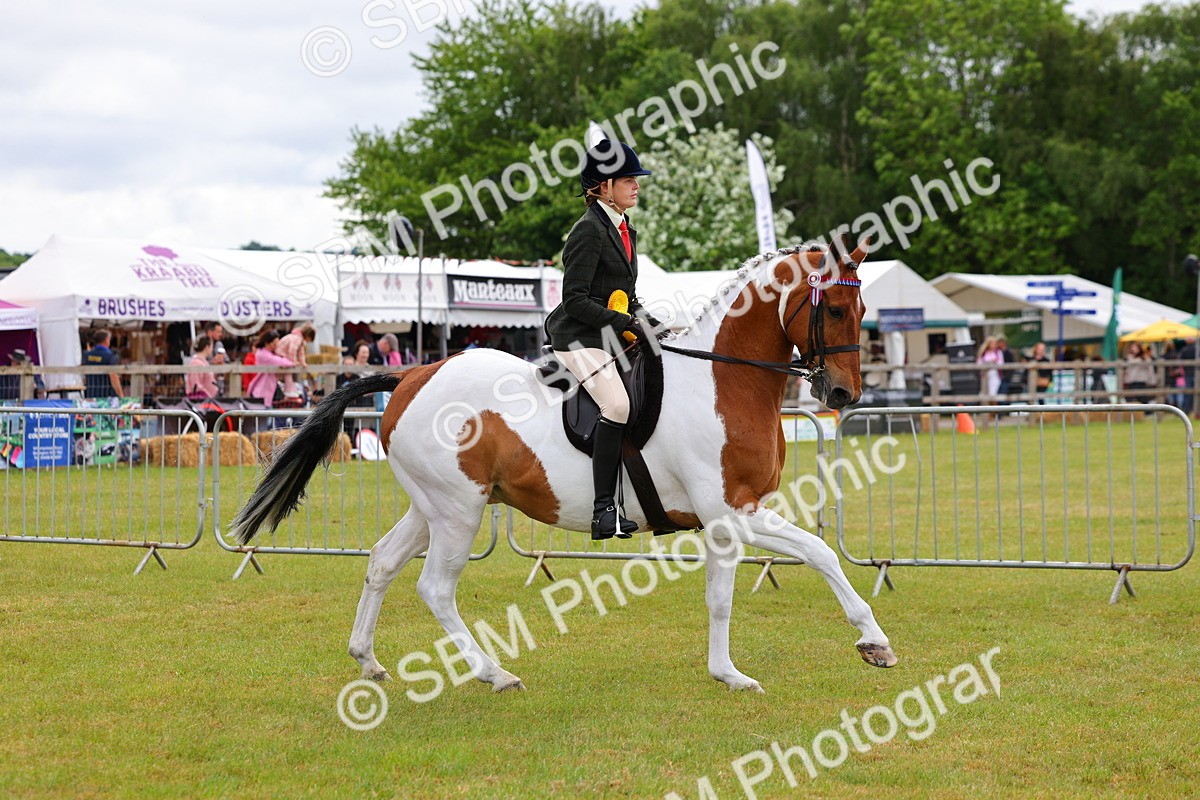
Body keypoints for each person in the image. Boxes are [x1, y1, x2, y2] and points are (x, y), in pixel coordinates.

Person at [544, 138, 662, 540]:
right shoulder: (588, 231)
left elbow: (625, 296)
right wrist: (627, 321)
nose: (636, 185)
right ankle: (603, 509)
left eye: (635, 179)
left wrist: (653, 323)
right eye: (628, 179)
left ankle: (633, 496)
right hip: (578, 337)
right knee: (616, 403)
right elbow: (574, 300)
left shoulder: (625, 229)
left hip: (607, 332)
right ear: (603, 186)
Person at [246, 330, 294, 408]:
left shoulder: (266, 353)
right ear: (267, 343)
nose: (276, 346)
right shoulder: (263, 354)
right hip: (262, 392)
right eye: (274, 344)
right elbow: (282, 362)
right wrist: (292, 361)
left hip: (265, 391)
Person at [82, 329, 124, 399]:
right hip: (106, 396)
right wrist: (121, 395)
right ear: (107, 340)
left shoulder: (87, 355)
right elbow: (113, 377)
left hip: (91, 393)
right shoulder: (110, 356)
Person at [185, 336, 219, 400]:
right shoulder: (196, 363)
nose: (212, 349)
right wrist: (207, 395)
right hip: (200, 400)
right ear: (207, 347)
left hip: (209, 399)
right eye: (212, 346)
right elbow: (196, 384)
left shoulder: (203, 362)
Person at [1177, 336, 1197, 415]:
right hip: (1195, 373)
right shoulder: (1197, 349)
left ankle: (1187, 410)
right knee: (1194, 393)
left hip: (1188, 374)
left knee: (1188, 393)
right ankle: (1193, 410)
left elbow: (1180, 361)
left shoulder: (1184, 350)